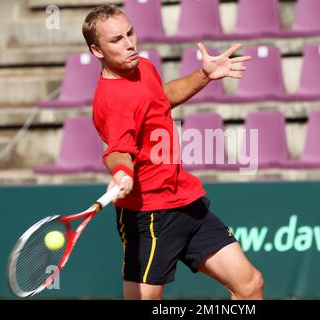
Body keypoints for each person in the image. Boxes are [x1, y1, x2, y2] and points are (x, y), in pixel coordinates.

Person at [82, 4, 263, 300]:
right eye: (116, 40)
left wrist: (205, 75)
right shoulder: (111, 101)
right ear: (97, 50)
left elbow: (160, 98)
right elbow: (117, 150)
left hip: (184, 199)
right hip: (150, 216)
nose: (129, 44)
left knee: (250, 285)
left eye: (130, 34)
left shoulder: (142, 67)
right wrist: (121, 171)